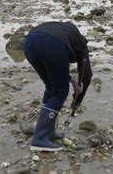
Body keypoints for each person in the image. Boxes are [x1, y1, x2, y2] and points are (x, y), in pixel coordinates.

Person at [23, 21, 92, 152]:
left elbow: (54, 69)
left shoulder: (64, 31)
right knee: (60, 91)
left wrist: (71, 79)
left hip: (29, 41)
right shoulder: (81, 43)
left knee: (50, 86)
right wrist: (77, 101)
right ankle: (39, 139)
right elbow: (87, 75)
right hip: (53, 44)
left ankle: (48, 131)